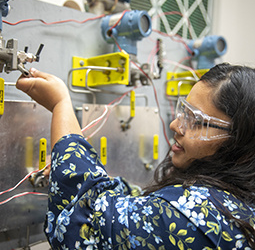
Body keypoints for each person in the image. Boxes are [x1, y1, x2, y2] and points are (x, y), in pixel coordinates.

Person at [16, 63, 255, 249]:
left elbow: (81, 226)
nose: (175, 125)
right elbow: (144, 205)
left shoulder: (195, 218)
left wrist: (60, 104)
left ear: (241, 141)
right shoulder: (236, 202)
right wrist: (73, 165)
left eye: (195, 120)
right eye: (183, 111)